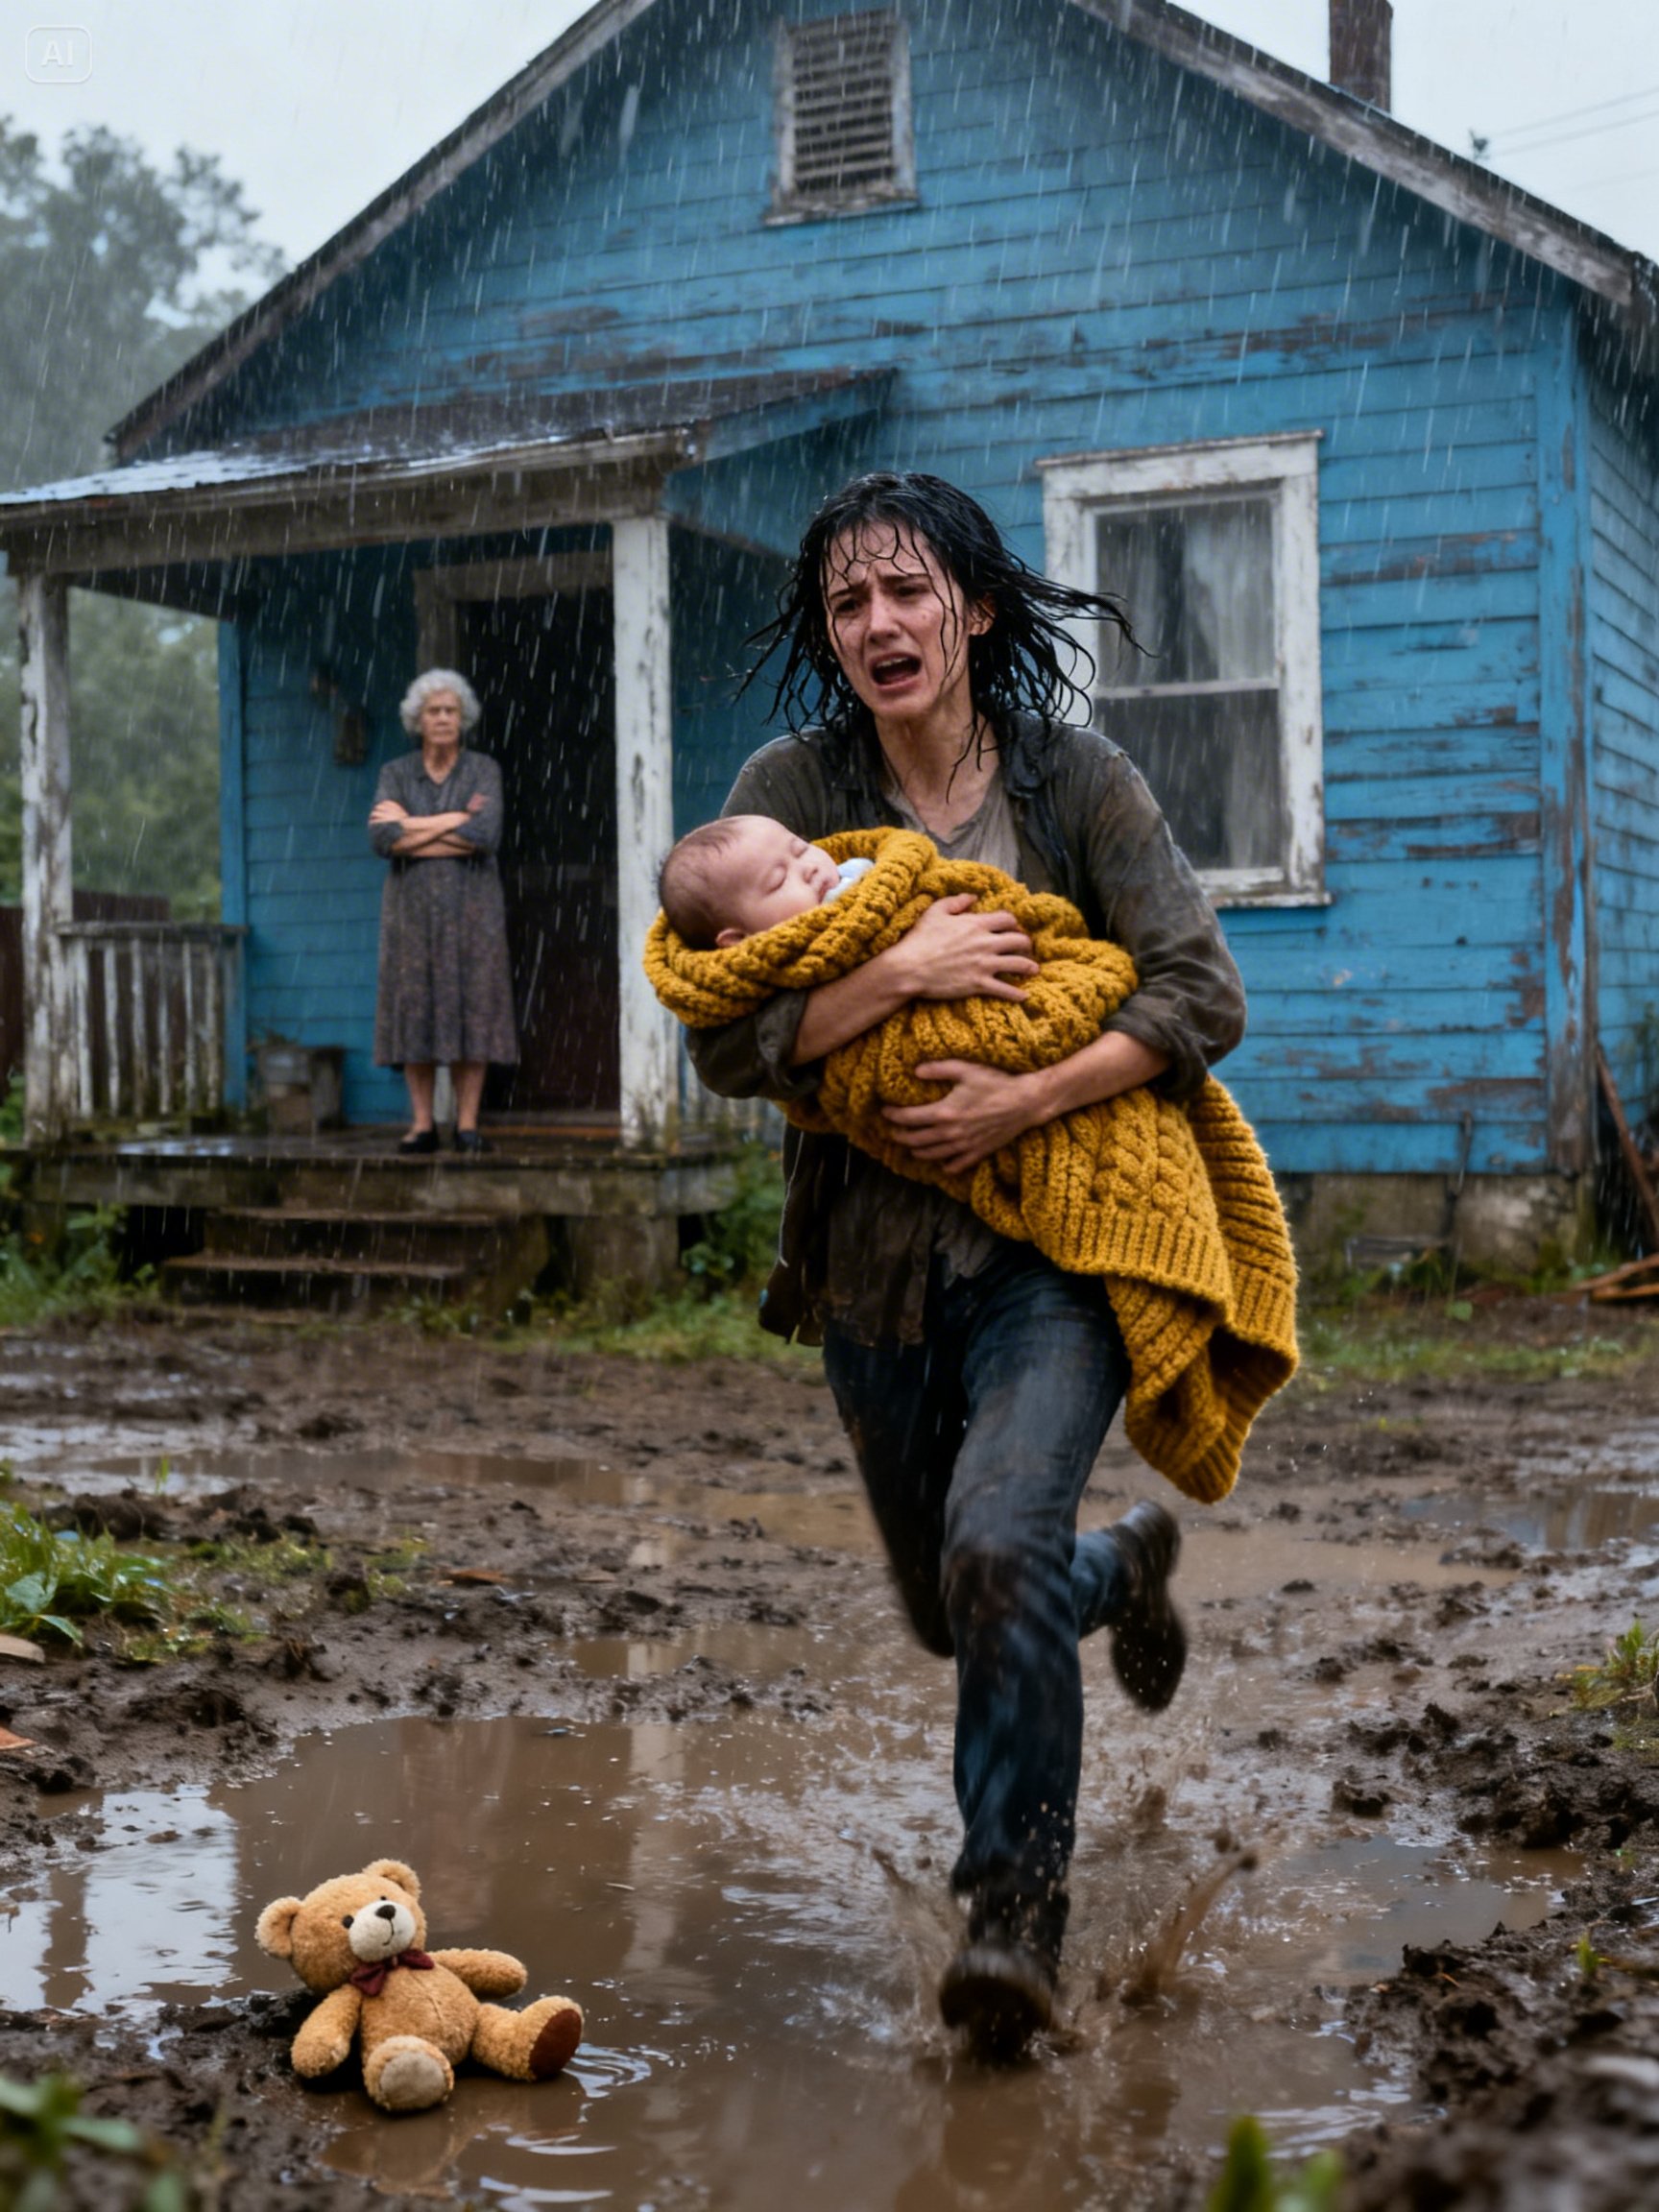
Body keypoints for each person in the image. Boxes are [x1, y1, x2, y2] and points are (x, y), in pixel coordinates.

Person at [681, 472, 1252, 2059]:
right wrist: (902, 970)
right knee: (960, 1609)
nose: (879, 623)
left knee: (995, 1549)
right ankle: (1120, 1565)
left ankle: (1013, 1919)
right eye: (847, 603)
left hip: (1052, 1256)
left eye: (907, 591)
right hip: (868, 1272)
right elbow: (724, 1038)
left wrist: (1027, 1093)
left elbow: (1198, 990)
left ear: (975, 608)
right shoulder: (791, 791)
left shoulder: (1075, 782)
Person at [369, 669, 517, 1154]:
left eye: (451, 710)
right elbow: (383, 840)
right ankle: (422, 1125)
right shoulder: (395, 773)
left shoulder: (483, 770)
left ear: (463, 718)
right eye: (433, 710)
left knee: (473, 1008)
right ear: (418, 719)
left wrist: (412, 827)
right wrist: (454, 821)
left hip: (474, 912)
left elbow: (485, 836)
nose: (443, 718)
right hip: (410, 915)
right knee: (415, 1010)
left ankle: (467, 1125)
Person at [659, 814, 874, 945]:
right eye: (779, 880)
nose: (808, 869)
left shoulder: (861, 870)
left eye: (801, 849)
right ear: (739, 939)